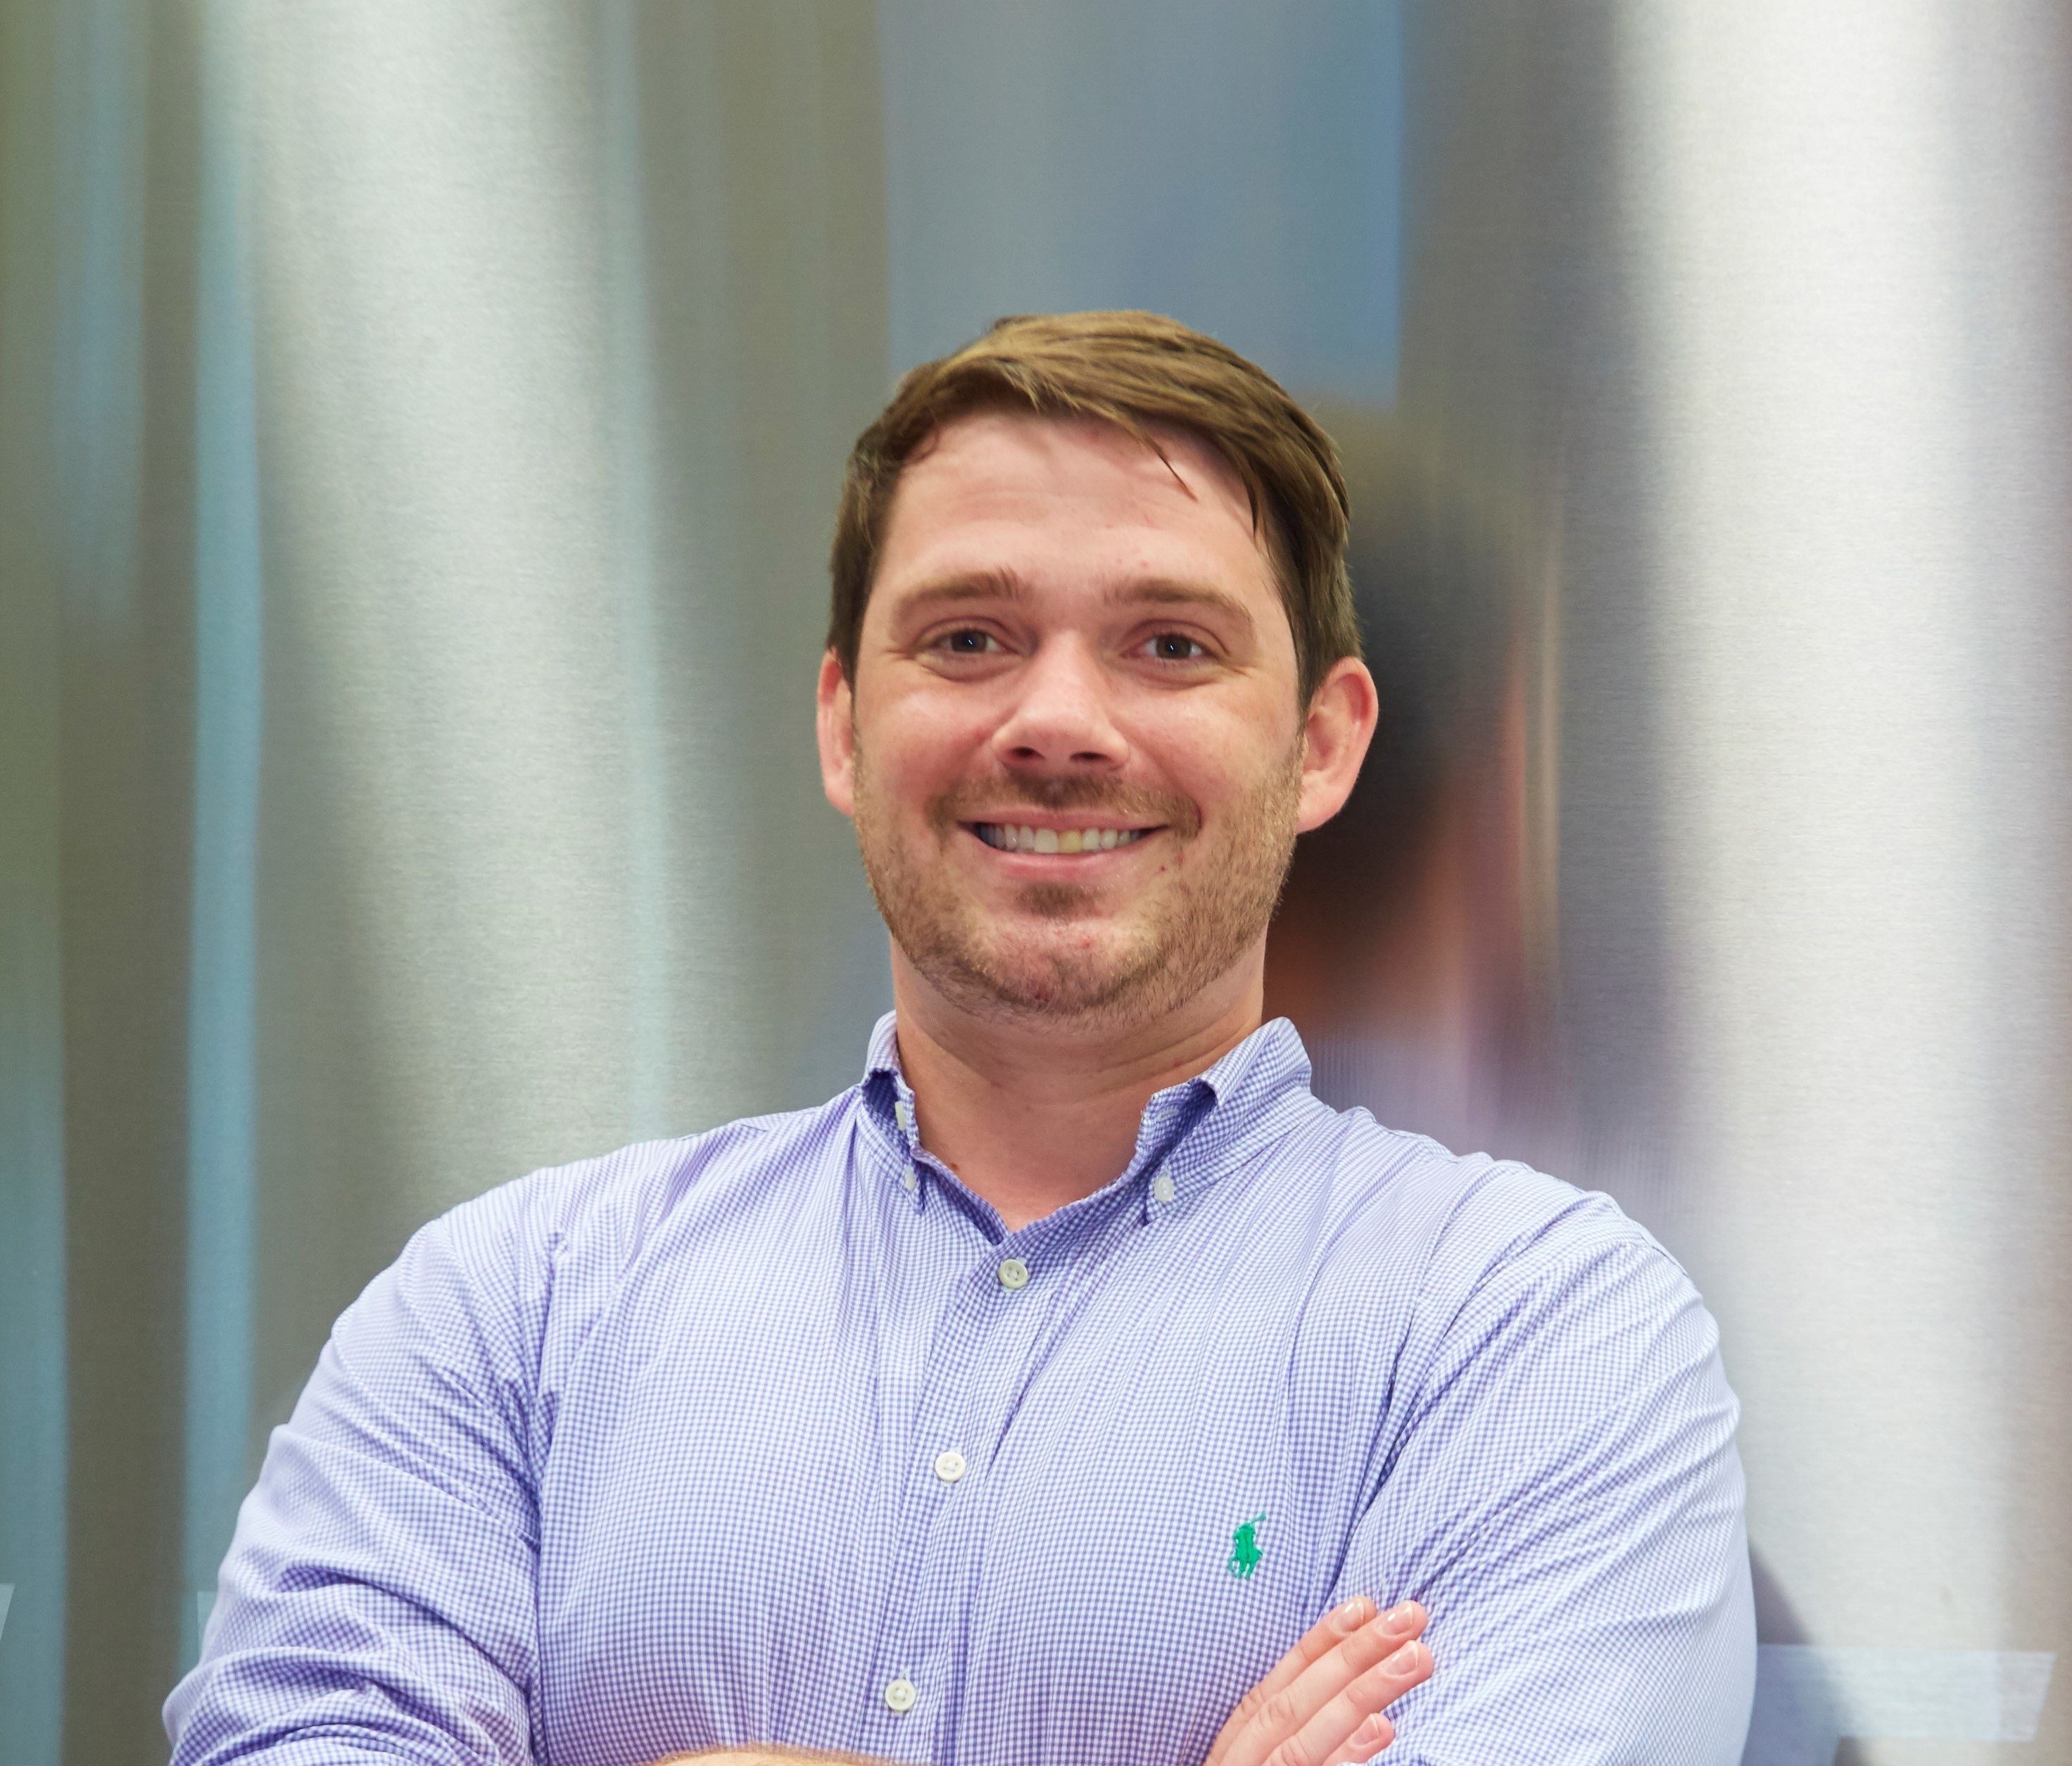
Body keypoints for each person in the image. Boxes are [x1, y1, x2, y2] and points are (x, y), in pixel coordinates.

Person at [165, 312, 1755, 1766]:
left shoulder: (1537, 1330)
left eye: (1170, 645)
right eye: (969, 639)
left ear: (1322, 742)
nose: (1055, 721)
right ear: (844, 724)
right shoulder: (512, 1313)